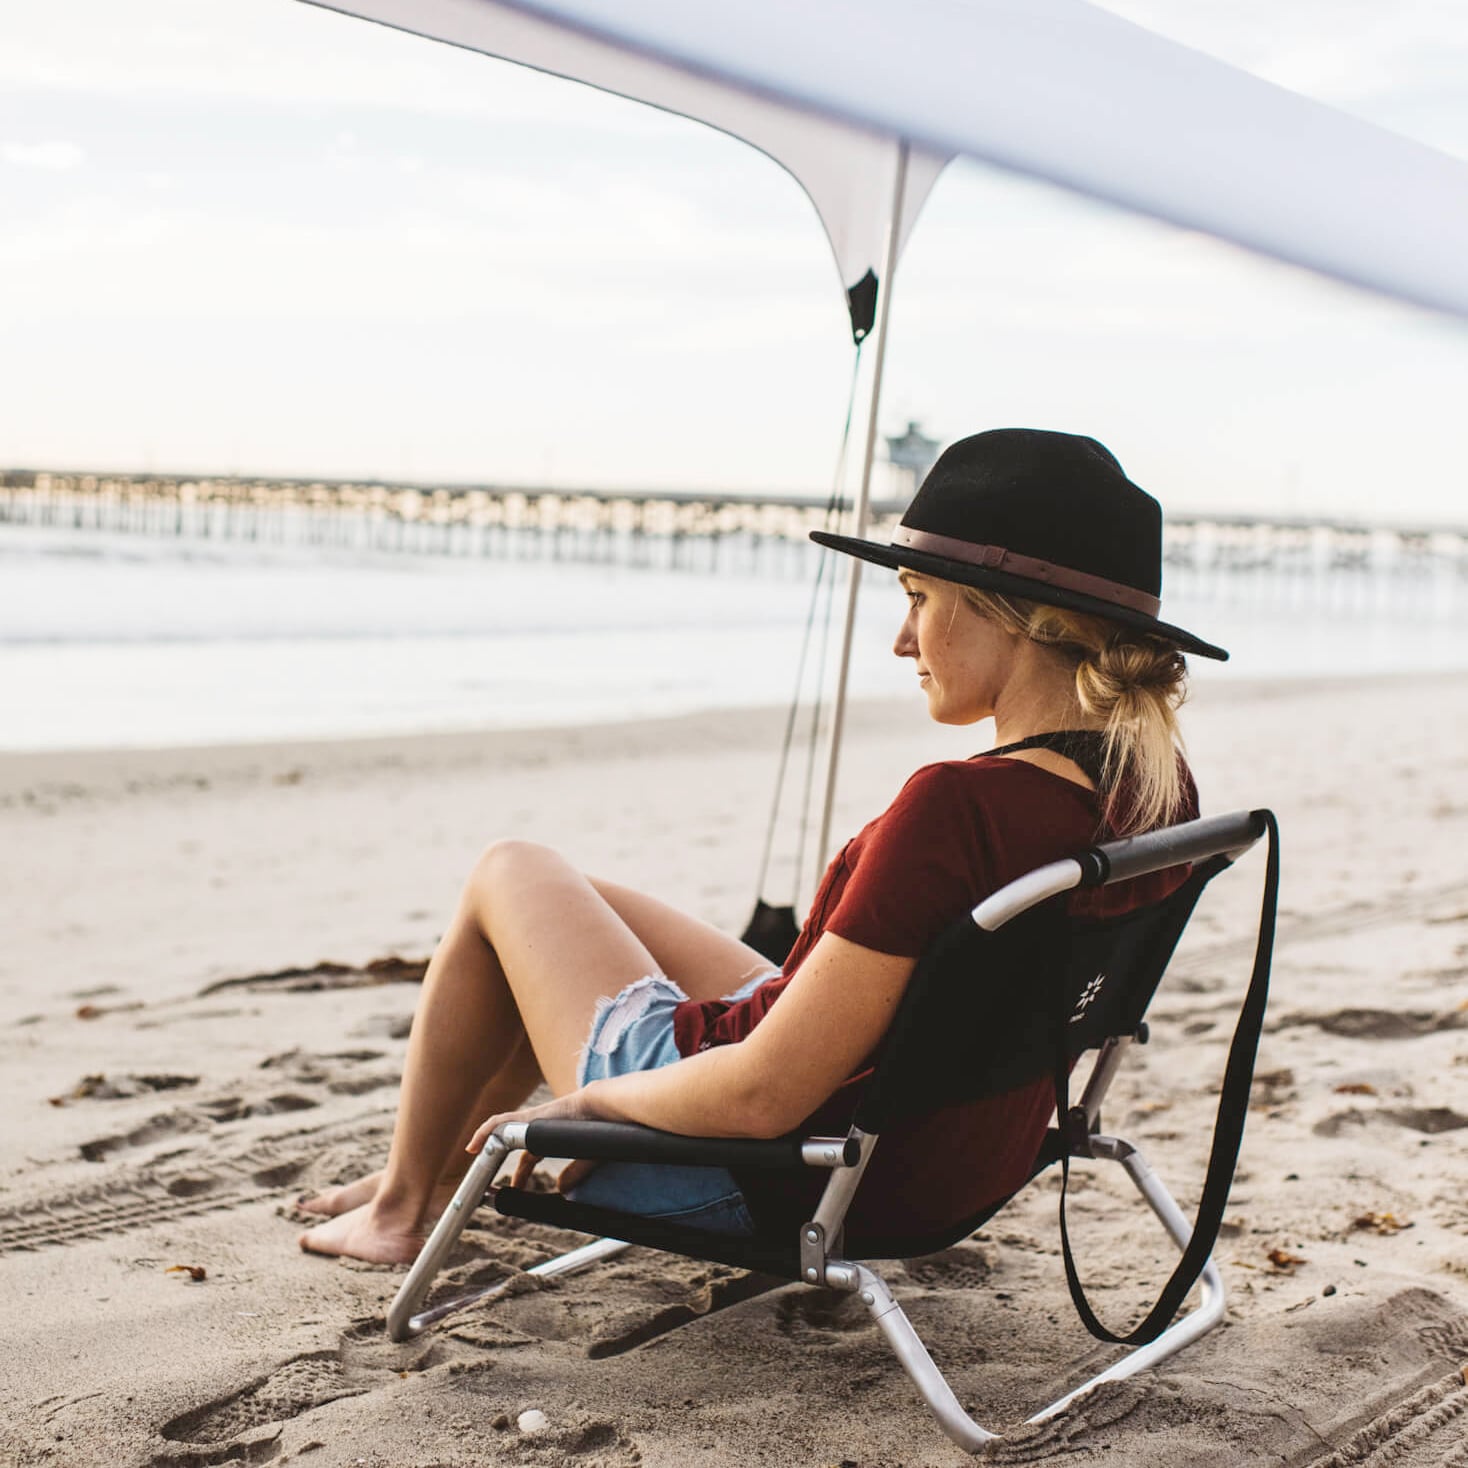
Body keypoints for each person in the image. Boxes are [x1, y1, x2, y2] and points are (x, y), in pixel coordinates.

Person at [297, 427, 1228, 1264]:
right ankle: (407, 1182)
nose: (903, 641)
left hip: (781, 1173)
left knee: (511, 872)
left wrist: (586, 1110)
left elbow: (759, 1101)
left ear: (1011, 614)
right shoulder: (1155, 788)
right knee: (577, 898)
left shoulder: (959, 811)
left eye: (918, 598)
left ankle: (399, 1208)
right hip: (947, 1158)